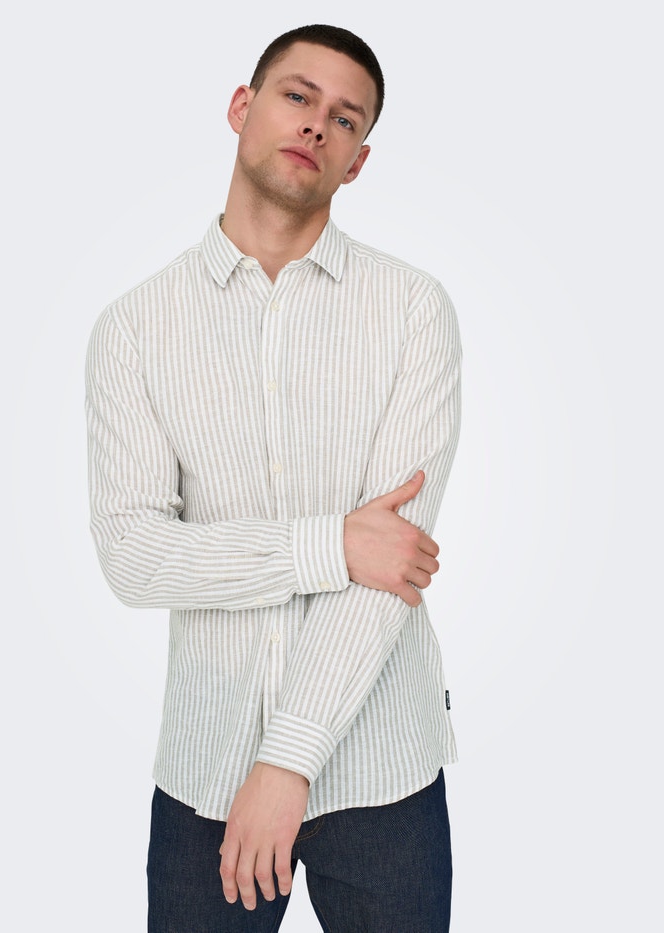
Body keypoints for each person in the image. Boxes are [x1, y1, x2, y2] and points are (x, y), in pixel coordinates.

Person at [86, 23, 461, 933]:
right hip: (205, 773)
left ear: (357, 161)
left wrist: (287, 760)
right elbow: (135, 556)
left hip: (384, 773)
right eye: (298, 96)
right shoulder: (134, 328)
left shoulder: (413, 310)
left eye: (346, 118)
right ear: (241, 107)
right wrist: (331, 543)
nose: (317, 124)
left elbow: (393, 567)